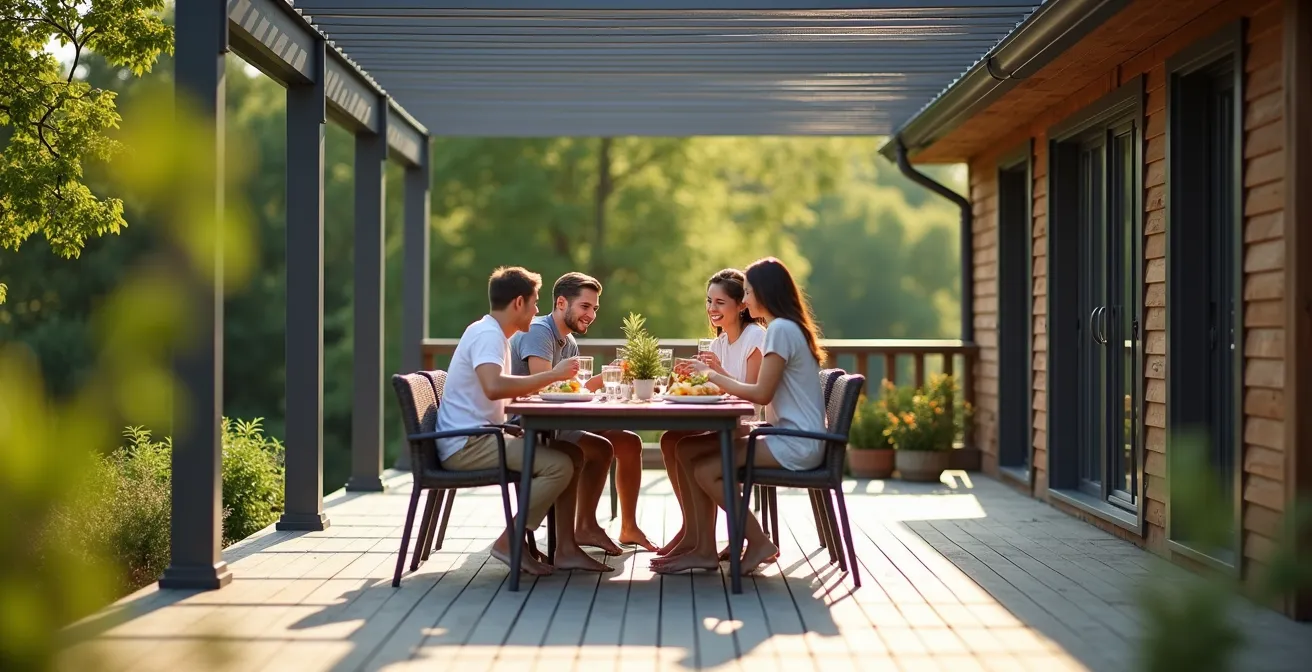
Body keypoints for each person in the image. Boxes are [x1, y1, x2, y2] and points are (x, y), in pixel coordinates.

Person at [652, 257, 827, 576]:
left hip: (796, 442)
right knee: (686, 448)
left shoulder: (779, 330)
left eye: (748, 292)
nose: (745, 300)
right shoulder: (785, 328)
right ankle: (702, 544)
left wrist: (712, 375)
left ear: (764, 292)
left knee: (705, 470)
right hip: (786, 435)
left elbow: (760, 394)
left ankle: (755, 542)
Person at [436, 266, 611, 575]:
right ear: (519, 303)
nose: (537, 311)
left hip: (482, 436)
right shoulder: (488, 335)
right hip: (468, 444)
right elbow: (494, 387)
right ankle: (510, 542)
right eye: (535, 303)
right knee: (559, 465)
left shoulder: (494, 335)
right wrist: (553, 376)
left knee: (570, 453)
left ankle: (566, 548)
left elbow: (499, 392)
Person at [510, 272, 656, 552]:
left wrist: (608, 374)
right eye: (585, 306)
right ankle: (585, 527)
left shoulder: (568, 342)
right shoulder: (540, 332)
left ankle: (628, 527)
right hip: (530, 427)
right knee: (600, 448)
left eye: (595, 308)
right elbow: (544, 389)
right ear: (561, 303)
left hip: (558, 421)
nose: (591, 315)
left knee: (629, 442)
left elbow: (572, 389)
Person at [653, 269, 764, 565]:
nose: (712, 308)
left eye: (720, 302)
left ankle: (700, 539)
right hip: (723, 424)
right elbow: (716, 389)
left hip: (746, 426)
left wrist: (716, 372)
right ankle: (691, 529)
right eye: (709, 301)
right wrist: (688, 379)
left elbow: (752, 396)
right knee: (670, 440)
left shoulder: (755, 337)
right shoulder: (718, 343)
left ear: (741, 306)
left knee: (684, 447)